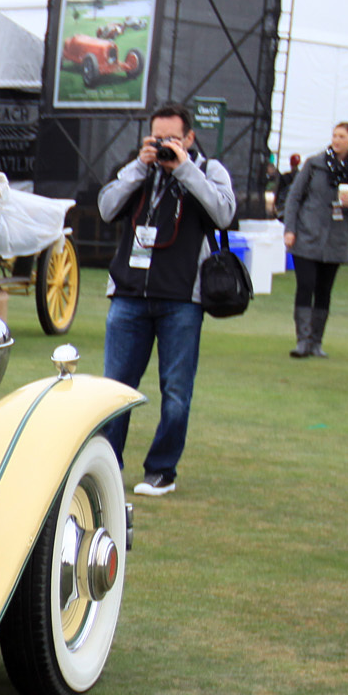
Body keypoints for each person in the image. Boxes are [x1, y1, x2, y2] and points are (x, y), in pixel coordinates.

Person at [98, 103, 238, 497]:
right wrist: (140, 168)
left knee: (176, 390)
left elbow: (225, 213)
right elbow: (107, 208)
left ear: (190, 139)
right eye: (157, 139)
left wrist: (184, 168)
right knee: (115, 388)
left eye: (172, 139)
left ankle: (162, 470)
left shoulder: (208, 170)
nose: (164, 146)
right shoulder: (138, 169)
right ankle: (108, 464)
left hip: (182, 299)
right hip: (129, 296)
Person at [282, 122, 348, 358]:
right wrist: (290, 229)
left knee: (324, 290)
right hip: (308, 236)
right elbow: (294, 198)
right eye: (334, 135)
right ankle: (302, 340)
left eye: (341, 136)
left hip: (336, 239)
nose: (336, 140)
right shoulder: (314, 164)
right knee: (306, 285)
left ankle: (316, 342)